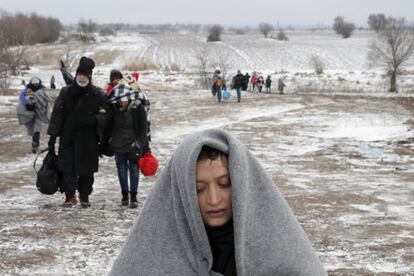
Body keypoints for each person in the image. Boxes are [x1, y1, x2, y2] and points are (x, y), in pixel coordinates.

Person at [109, 129, 327, 275]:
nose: (213, 200)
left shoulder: (279, 245)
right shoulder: (152, 247)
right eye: (198, 189)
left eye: (225, 184)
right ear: (182, 192)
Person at [47, 57, 110, 208]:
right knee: (67, 168)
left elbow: (107, 114)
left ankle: (84, 196)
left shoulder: (98, 94)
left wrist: (94, 120)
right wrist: (52, 137)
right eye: (79, 74)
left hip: (88, 140)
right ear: (76, 76)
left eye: (85, 75)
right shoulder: (66, 92)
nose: (81, 77)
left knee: (86, 170)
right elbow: (57, 114)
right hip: (68, 137)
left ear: (89, 76)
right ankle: (69, 196)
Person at [104, 82, 149, 208]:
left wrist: (139, 143)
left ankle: (133, 196)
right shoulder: (113, 108)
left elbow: (143, 128)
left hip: (133, 144)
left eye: (123, 101)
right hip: (118, 143)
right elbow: (108, 125)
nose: (121, 103)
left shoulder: (138, 107)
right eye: (119, 101)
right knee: (121, 169)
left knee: (134, 169)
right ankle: (124, 195)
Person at [16, 77, 51, 153]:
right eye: (33, 84)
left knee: (37, 128)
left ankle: (35, 143)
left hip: (39, 112)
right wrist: (27, 104)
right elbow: (21, 97)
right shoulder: (27, 89)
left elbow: (45, 99)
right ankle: (35, 141)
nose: (35, 85)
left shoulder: (42, 89)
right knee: (32, 127)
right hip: (29, 112)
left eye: (36, 84)